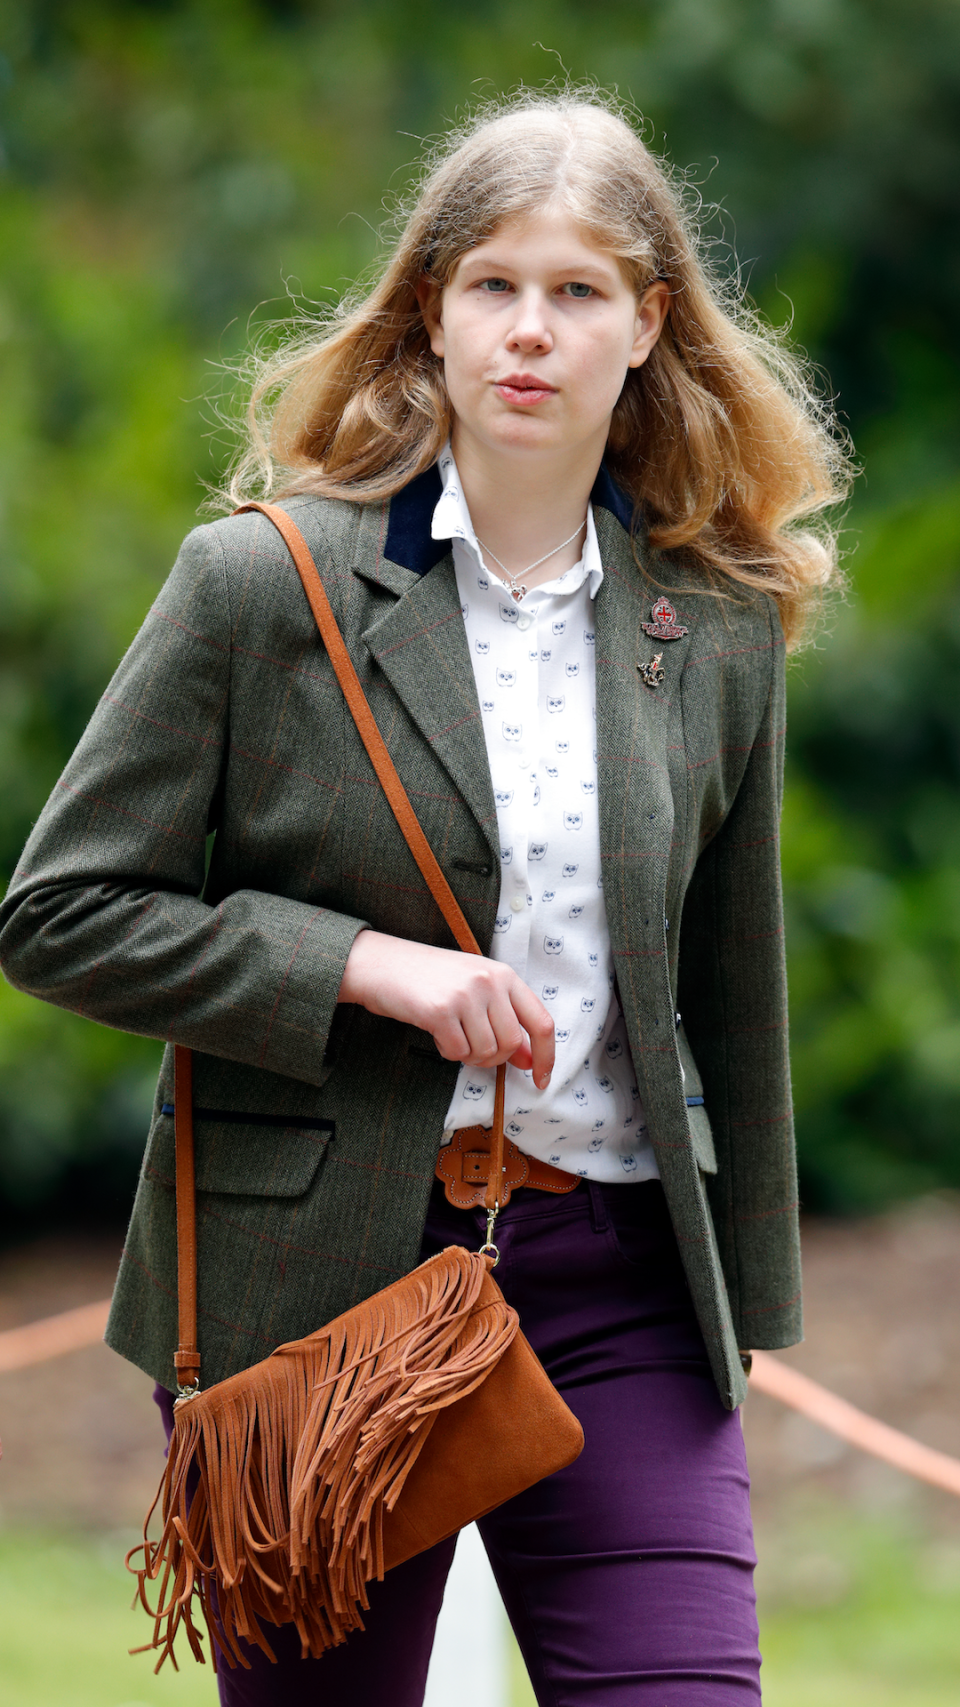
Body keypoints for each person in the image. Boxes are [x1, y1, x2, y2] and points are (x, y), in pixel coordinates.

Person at [0, 90, 851, 1704]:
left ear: (647, 327)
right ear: (434, 316)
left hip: (624, 1287)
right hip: (324, 1289)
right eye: (495, 287)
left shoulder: (716, 623)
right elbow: (59, 908)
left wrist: (746, 1304)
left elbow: (733, 983)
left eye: (581, 290)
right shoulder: (263, 583)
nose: (533, 331)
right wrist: (360, 964)